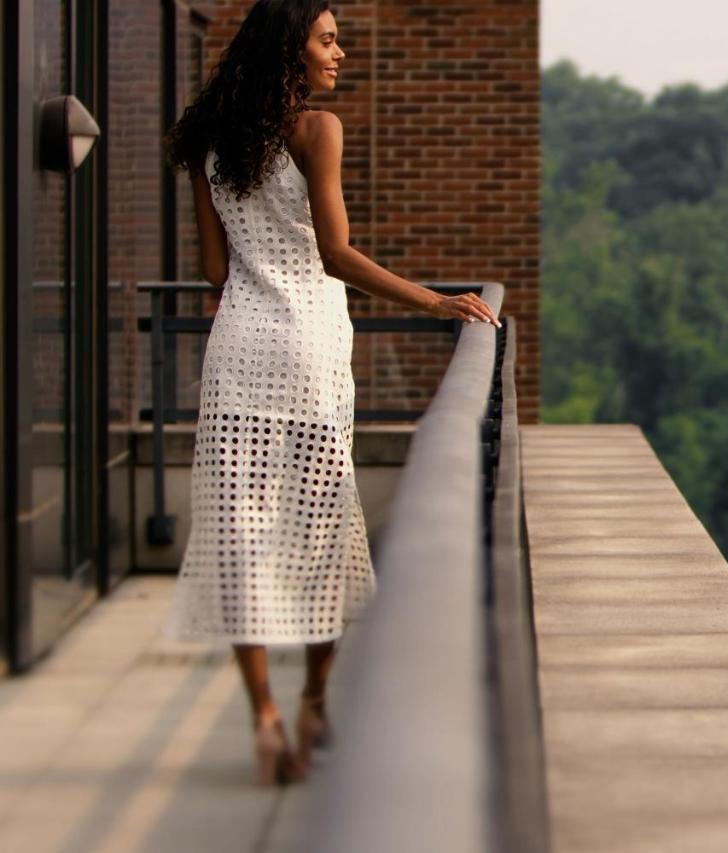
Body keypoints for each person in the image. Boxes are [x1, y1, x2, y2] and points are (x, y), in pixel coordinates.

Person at [161, 0, 499, 786]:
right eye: (328, 40)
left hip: (239, 354)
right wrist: (434, 300)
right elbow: (337, 253)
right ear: (292, 52)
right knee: (318, 533)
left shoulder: (210, 144)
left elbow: (215, 273)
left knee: (240, 538)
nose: (340, 54)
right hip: (310, 350)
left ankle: (267, 719)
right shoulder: (319, 130)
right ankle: (313, 698)